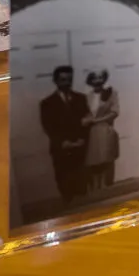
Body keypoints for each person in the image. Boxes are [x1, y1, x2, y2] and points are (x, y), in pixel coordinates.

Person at [39, 66, 90, 204]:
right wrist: (62, 142)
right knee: (63, 176)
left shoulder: (81, 98)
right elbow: (48, 126)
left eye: (69, 79)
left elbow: (87, 121)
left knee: (79, 174)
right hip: (60, 147)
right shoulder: (47, 103)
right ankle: (67, 202)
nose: (66, 83)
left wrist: (82, 139)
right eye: (62, 80)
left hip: (79, 145)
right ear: (55, 81)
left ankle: (83, 205)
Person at [83, 70, 120, 191]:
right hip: (91, 132)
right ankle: (94, 187)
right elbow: (86, 113)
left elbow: (115, 112)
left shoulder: (110, 93)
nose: (98, 81)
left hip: (105, 129)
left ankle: (105, 187)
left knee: (105, 159)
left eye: (100, 78)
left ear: (104, 79)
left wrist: (98, 120)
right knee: (93, 160)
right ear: (90, 81)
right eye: (94, 78)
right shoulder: (87, 96)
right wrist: (87, 120)